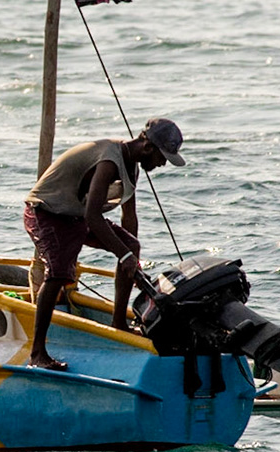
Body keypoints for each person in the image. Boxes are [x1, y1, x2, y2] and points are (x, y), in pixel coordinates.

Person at [22, 118, 187, 368]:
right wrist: (123, 256)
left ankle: (118, 323)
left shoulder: (133, 168)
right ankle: (37, 353)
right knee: (58, 273)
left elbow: (128, 219)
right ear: (147, 147)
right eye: (162, 157)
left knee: (130, 247)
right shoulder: (110, 160)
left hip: (75, 215)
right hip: (47, 212)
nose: (162, 163)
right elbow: (92, 215)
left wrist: (131, 256)